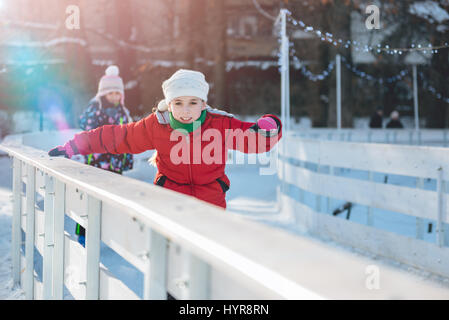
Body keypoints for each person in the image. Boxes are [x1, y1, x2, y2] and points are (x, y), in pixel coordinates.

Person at [48, 69, 281, 211]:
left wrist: (269, 128)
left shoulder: (219, 124)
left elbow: (253, 140)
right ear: (169, 104)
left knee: (204, 259)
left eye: (192, 102)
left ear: (203, 103)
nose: (186, 110)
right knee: (173, 257)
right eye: (178, 103)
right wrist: (74, 146)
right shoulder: (157, 125)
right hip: (169, 199)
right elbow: (119, 137)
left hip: (211, 203)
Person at [73, 65, 134, 246]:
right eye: (111, 93)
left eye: (117, 93)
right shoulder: (95, 111)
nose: (114, 97)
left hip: (115, 166)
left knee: (112, 202)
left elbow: (126, 136)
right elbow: (88, 131)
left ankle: (109, 236)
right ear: (102, 94)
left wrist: (126, 157)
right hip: (96, 165)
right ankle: (83, 234)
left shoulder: (123, 112)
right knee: (90, 202)